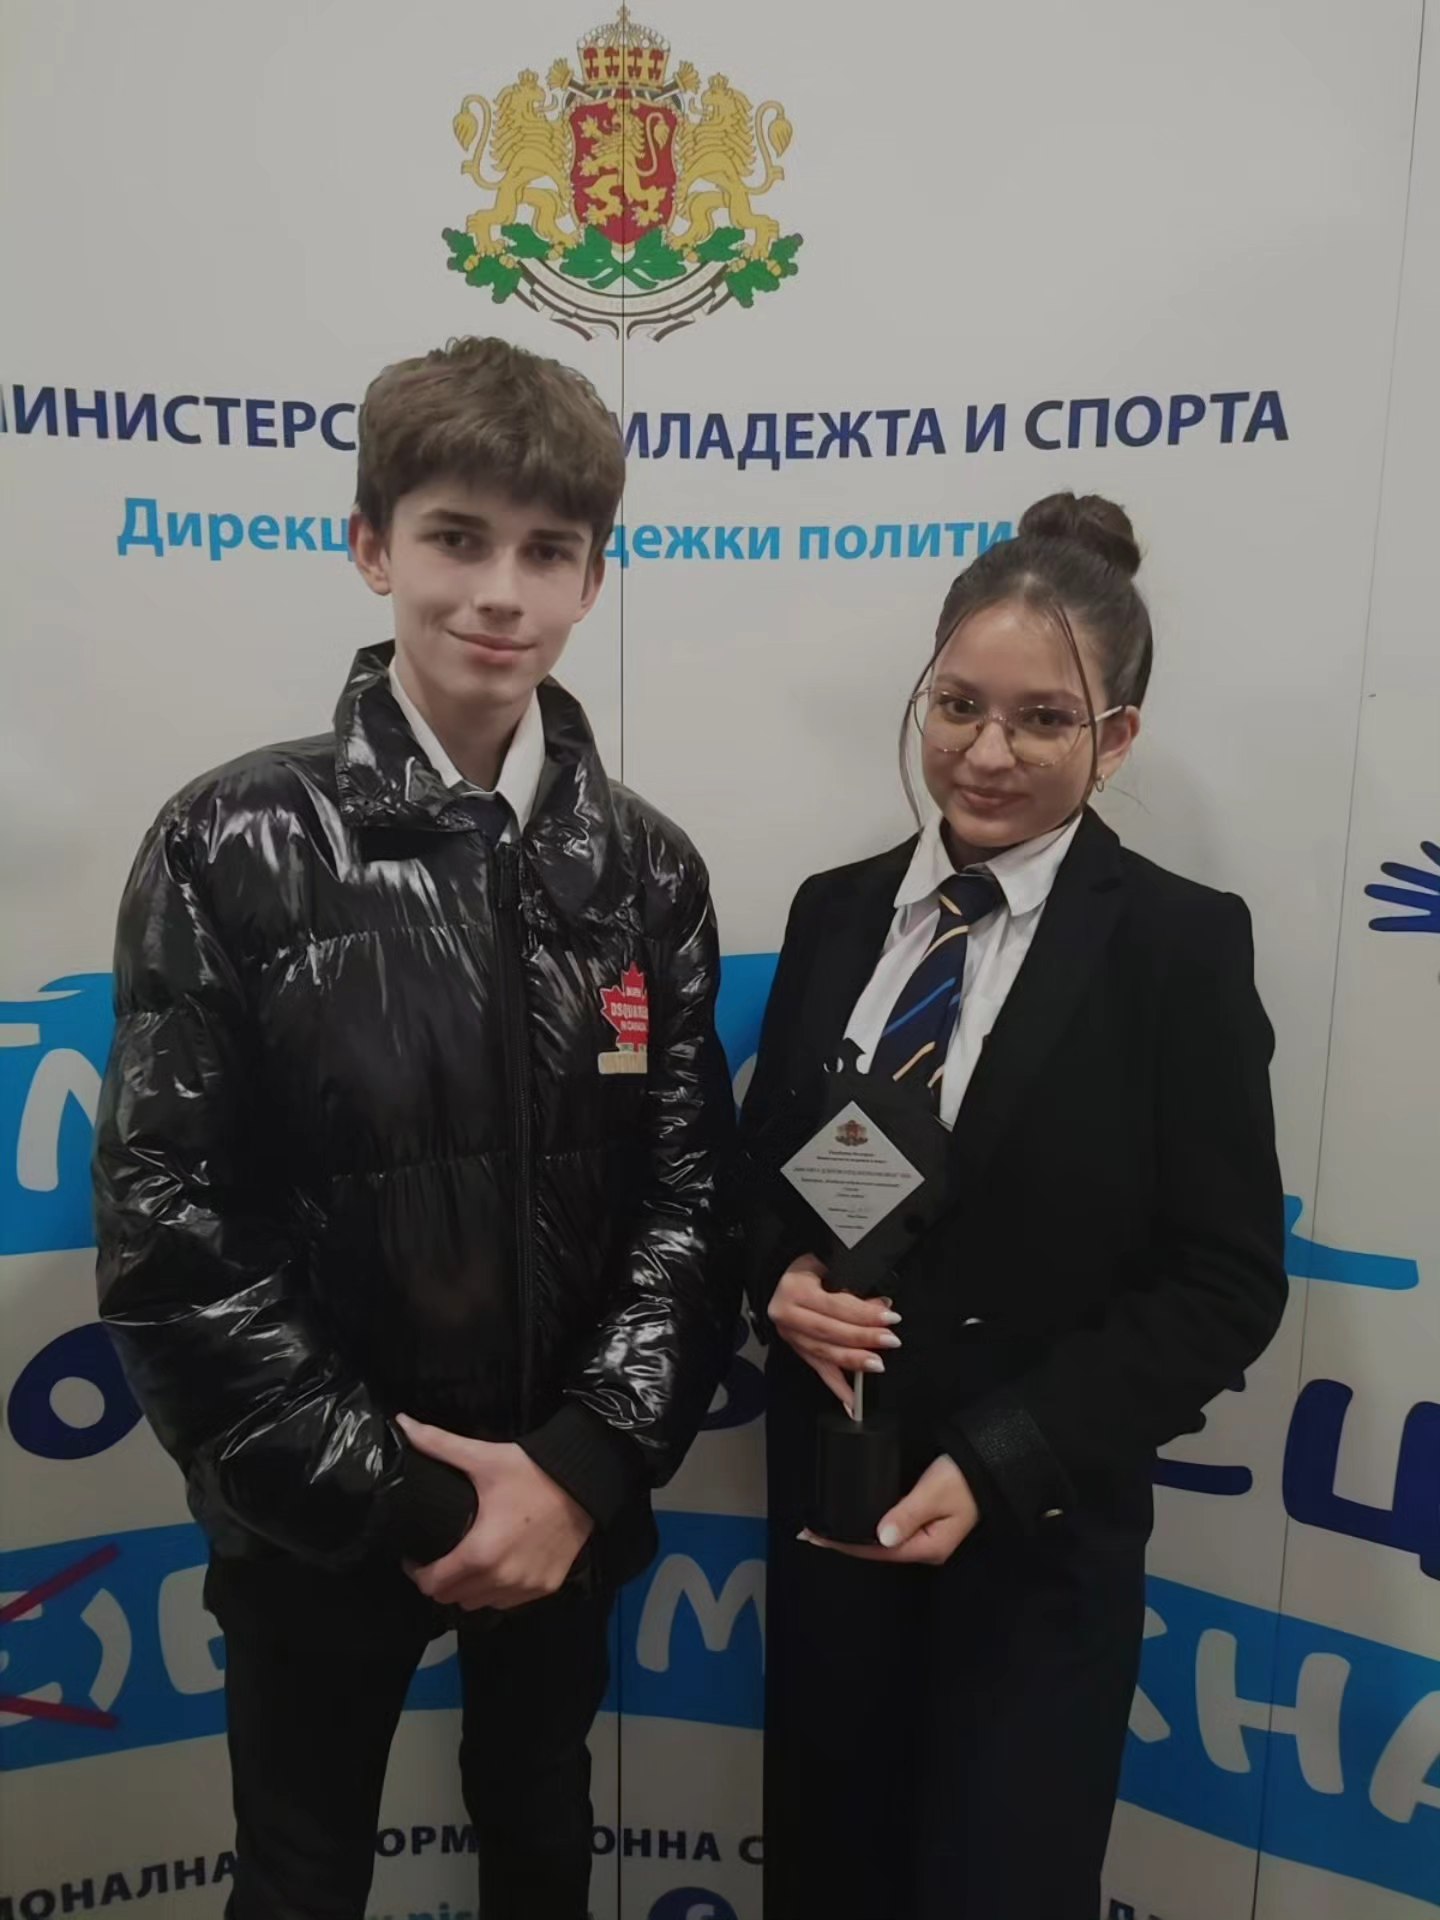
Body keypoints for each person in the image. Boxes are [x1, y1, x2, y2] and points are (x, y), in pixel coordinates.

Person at [93, 336, 736, 1920]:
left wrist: (574, 1473)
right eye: (457, 538)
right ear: (374, 546)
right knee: (299, 1876)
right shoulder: (231, 839)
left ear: (593, 579)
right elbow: (173, 1231)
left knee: (541, 1838)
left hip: (568, 1507)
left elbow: (687, 1200)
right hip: (323, 1524)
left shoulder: (647, 870)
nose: (500, 594)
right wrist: (415, 1501)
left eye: (547, 552)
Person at [740, 493, 1288, 1920]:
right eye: (959, 706)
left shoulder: (1176, 945)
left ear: (1118, 737)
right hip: (836, 1524)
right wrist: (772, 1280)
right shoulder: (834, 912)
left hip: (1036, 1548)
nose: (987, 753)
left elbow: (1226, 1281)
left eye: (1044, 720)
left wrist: (1001, 1460)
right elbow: (759, 1183)